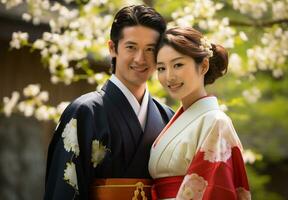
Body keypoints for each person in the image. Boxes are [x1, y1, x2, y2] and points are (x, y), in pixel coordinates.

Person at [44, 5, 174, 200]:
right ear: (113, 48)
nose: (140, 58)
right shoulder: (85, 113)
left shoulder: (168, 118)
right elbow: (63, 191)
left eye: (150, 49)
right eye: (131, 47)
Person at [149, 27, 251, 200]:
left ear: (203, 65)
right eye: (161, 68)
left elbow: (216, 189)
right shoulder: (178, 119)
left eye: (178, 65)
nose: (169, 77)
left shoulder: (215, 122)